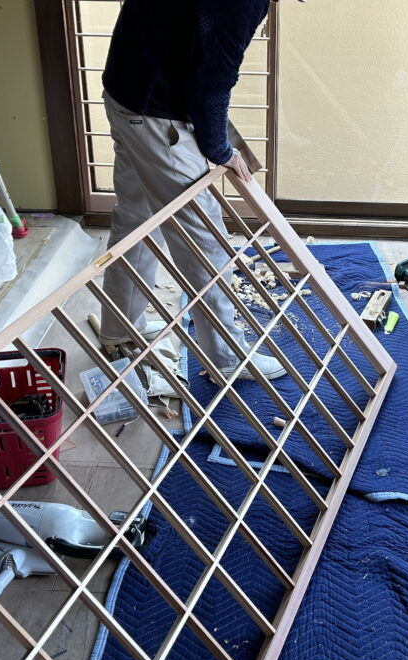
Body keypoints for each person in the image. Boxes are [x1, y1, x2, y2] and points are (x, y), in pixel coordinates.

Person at [98, 0, 301, 381]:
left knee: (137, 219)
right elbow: (211, 82)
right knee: (204, 243)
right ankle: (226, 359)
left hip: (125, 91)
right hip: (154, 114)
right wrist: (220, 149)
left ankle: (119, 328)